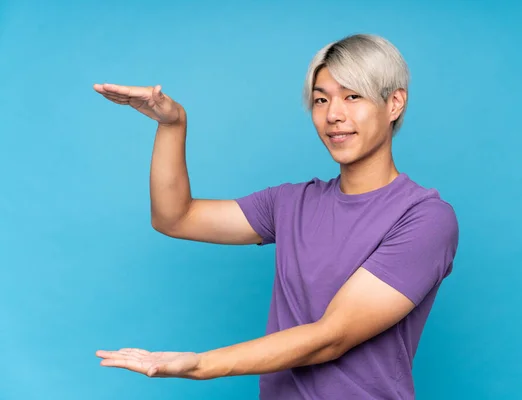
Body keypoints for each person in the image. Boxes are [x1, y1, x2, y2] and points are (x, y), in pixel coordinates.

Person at [93, 33, 459, 399]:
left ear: (394, 103)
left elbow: (331, 337)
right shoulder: (290, 204)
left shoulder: (425, 219)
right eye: (321, 99)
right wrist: (172, 125)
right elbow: (175, 218)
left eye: (352, 96)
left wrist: (200, 364)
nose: (333, 114)